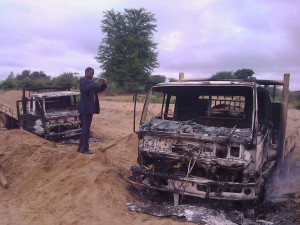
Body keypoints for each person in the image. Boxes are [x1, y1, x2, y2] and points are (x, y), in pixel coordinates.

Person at [77, 67, 107, 154]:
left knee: (86, 129)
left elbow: (98, 90)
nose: (92, 75)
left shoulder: (91, 83)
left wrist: (103, 84)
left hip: (89, 109)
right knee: (85, 129)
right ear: (86, 73)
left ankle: (81, 148)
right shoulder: (82, 81)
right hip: (84, 109)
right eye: (91, 73)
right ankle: (84, 149)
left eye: (93, 73)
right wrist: (95, 82)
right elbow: (85, 89)